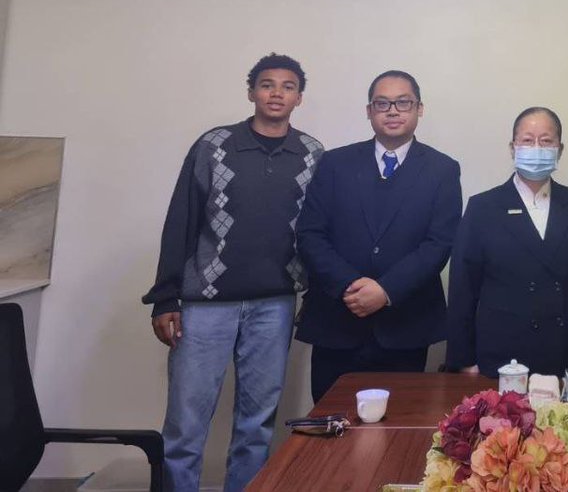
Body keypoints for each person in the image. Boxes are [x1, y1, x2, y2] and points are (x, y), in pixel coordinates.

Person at [143, 53, 324, 492]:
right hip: (206, 304)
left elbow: (319, 231)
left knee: (256, 425)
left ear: (299, 98)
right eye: (267, 84)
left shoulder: (313, 154)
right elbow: (181, 220)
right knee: (185, 424)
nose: (276, 93)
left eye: (287, 86)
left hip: (275, 304)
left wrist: (315, 295)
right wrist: (166, 297)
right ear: (251, 92)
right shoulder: (214, 146)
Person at [296, 69, 462, 402]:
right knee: (330, 424)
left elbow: (439, 243)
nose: (393, 111)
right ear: (369, 111)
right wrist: (349, 285)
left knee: (400, 424)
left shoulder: (442, 169)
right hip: (337, 319)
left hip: (405, 325)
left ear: (419, 109)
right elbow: (310, 233)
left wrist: (385, 291)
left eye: (403, 102)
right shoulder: (334, 163)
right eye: (382, 103)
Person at [445, 106, 568, 377]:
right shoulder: (483, 207)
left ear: (560, 149)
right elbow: (463, 289)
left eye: (546, 141)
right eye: (528, 140)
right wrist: (463, 359)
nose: (537, 148)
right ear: (513, 148)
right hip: (501, 357)